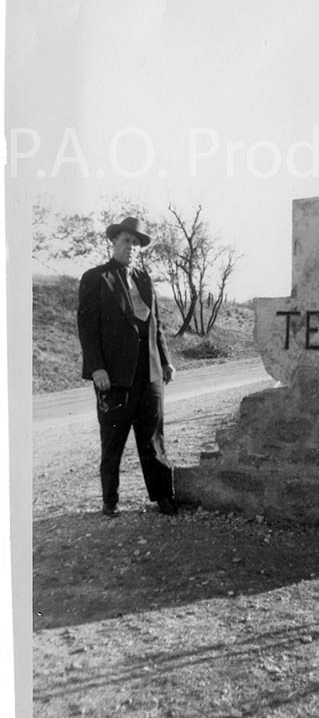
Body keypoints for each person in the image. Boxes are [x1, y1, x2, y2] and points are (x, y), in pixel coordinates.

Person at [77, 215, 178, 517]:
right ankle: (111, 500)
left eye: (136, 243)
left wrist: (166, 361)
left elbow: (155, 325)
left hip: (150, 374)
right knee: (113, 440)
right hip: (114, 376)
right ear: (114, 243)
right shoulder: (95, 278)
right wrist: (97, 368)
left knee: (153, 438)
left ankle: (163, 496)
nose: (131, 247)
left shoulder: (145, 279)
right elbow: (87, 327)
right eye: (126, 241)